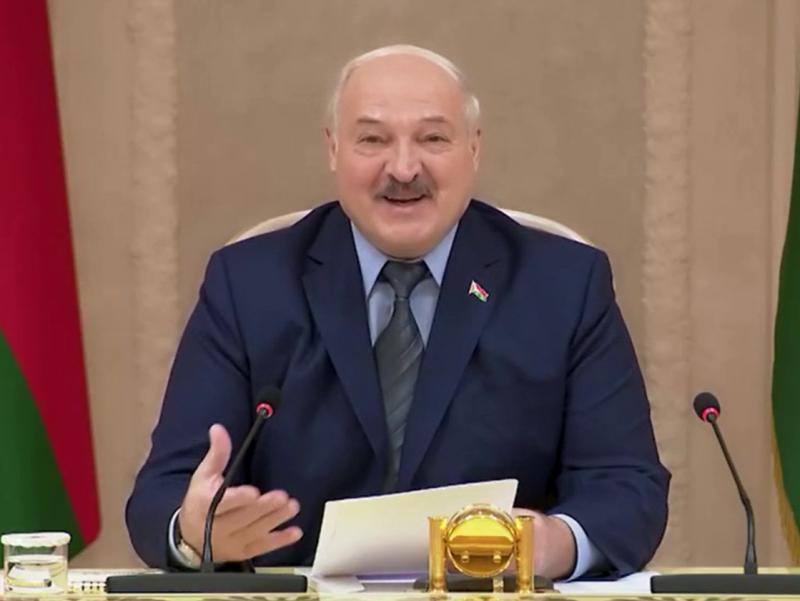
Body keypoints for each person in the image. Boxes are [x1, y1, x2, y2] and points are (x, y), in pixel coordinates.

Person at [126, 44, 669, 580]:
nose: (405, 169)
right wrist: (195, 532)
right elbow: (163, 494)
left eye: (433, 139)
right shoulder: (249, 285)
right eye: (373, 140)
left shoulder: (563, 284)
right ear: (333, 150)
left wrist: (551, 545)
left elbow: (627, 486)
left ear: (474, 149)